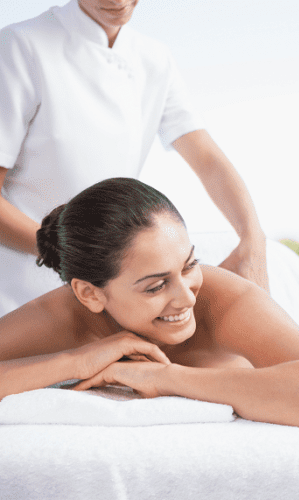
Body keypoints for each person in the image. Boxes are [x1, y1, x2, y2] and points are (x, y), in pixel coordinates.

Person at [0, 177, 299, 437]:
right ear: (90, 295)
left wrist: (164, 378)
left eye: (189, 266)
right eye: (156, 286)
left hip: (272, 280)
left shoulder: (219, 298)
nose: (186, 298)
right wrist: (77, 361)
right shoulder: (64, 314)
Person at [0, 0, 268, 317]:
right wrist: (82, 257)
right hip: (25, 282)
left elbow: (207, 158)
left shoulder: (154, 59)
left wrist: (253, 239)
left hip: (117, 280)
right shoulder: (20, 46)